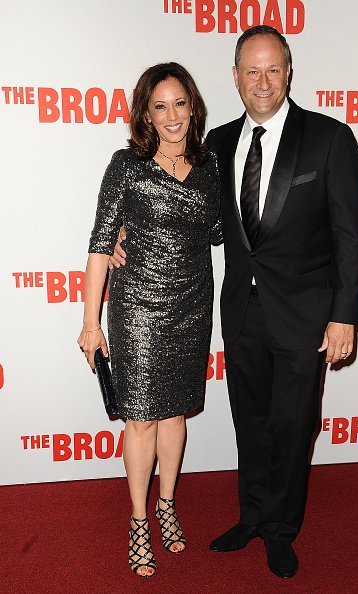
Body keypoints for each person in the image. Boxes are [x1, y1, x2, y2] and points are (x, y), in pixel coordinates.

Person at [111, 26, 358, 579]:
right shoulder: (218, 146)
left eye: (272, 69)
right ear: (234, 77)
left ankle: (280, 530)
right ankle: (251, 516)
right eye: (250, 71)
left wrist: (345, 314)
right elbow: (181, 212)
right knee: (250, 423)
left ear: (289, 71)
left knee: (293, 425)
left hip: (306, 314)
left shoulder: (328, 138)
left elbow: (352, 234)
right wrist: (123, 237)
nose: (262, 81)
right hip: (240, 312)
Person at [78, 62, 220, 578]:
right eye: (159, 106)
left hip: (191, 306)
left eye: (180, 103)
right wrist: (91, 322)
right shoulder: (126, 165)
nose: (172, 116)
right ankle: (139, 518)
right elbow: (99, 244)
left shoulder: (210, 169)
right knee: (140, 418)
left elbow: (226, 230)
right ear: (145, 113)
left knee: (176, 414)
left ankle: (167, 504)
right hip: (137, 306)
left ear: (193, 106)